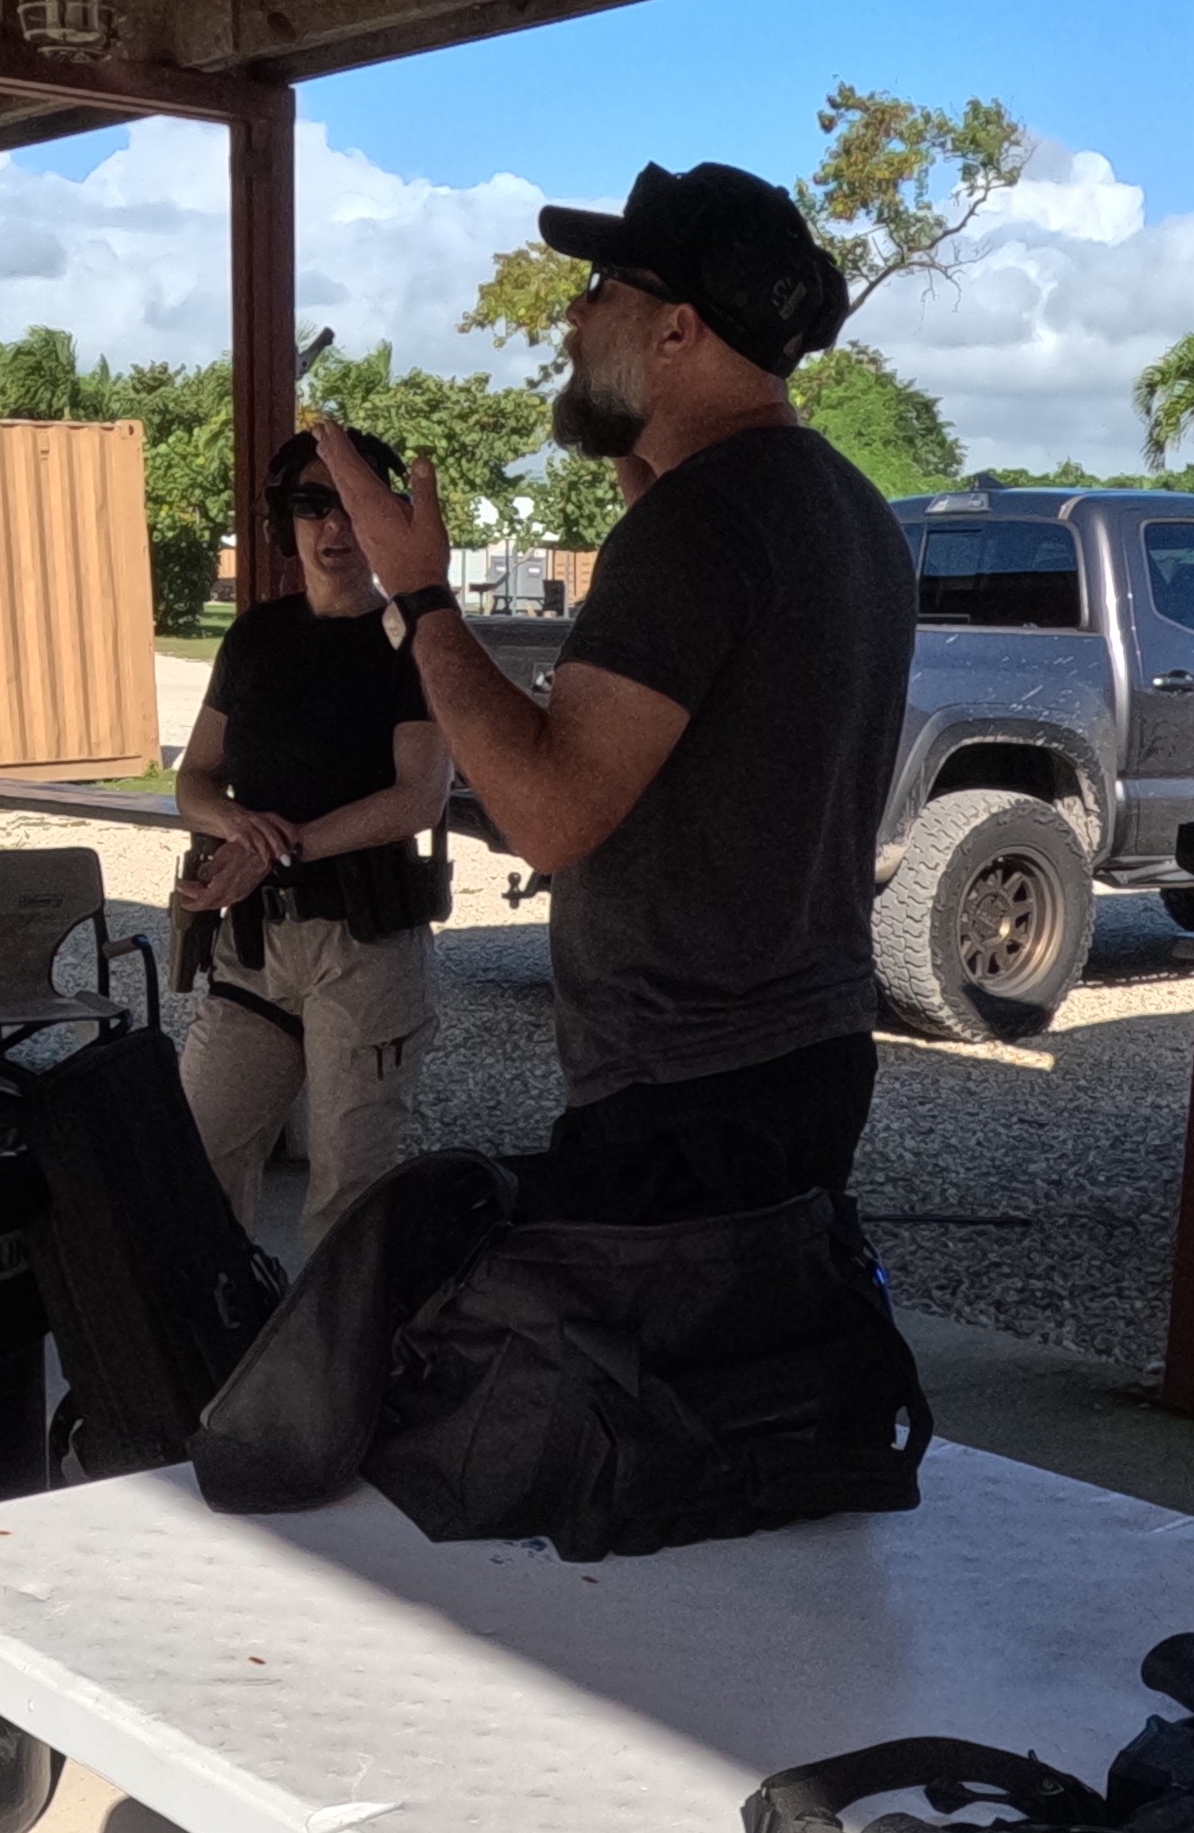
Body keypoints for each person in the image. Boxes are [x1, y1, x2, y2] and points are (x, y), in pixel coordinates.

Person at [302, 163, 906, 1224]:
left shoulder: (700, 528)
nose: (576, 314)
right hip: (810, 1053)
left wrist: (421, 595)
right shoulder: (851, 509)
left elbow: (549, 816)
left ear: (676, 330)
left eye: (603, 287)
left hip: (686, 1091)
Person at [168, 418, 452, 1236]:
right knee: (198, 1161)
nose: (334, 527)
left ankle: (334, 1358)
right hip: (254, 948)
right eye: (310, 505)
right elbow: (194, 778)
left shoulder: (412, 641)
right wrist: (236, 828)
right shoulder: (257, 636)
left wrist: (274, 851)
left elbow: (417, 800)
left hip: (364, 947)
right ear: (282, 524)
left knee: (347, 1194)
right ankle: (217, 1351)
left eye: (351, 506)